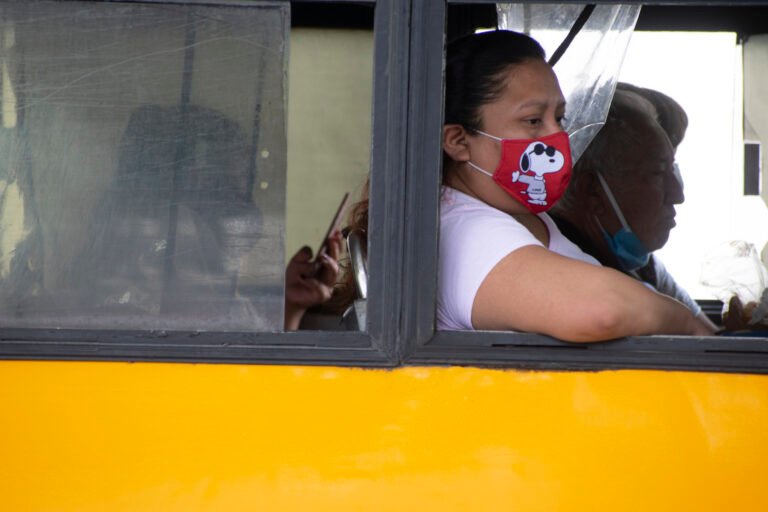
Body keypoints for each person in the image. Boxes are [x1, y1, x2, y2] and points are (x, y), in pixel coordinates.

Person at [437, 30, 710, 341]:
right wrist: (689, 324)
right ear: (458, 141)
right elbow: (601, 310)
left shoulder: (519, 216)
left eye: (560, 118)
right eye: (533, 121)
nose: (557, 137)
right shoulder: (466, 231)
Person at [551, 83, 718, 334]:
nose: (677, 194)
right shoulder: (563, 269)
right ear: (594, 190)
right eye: (658, 173)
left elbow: (711, 339)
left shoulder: (642, 265)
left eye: (673, 170)